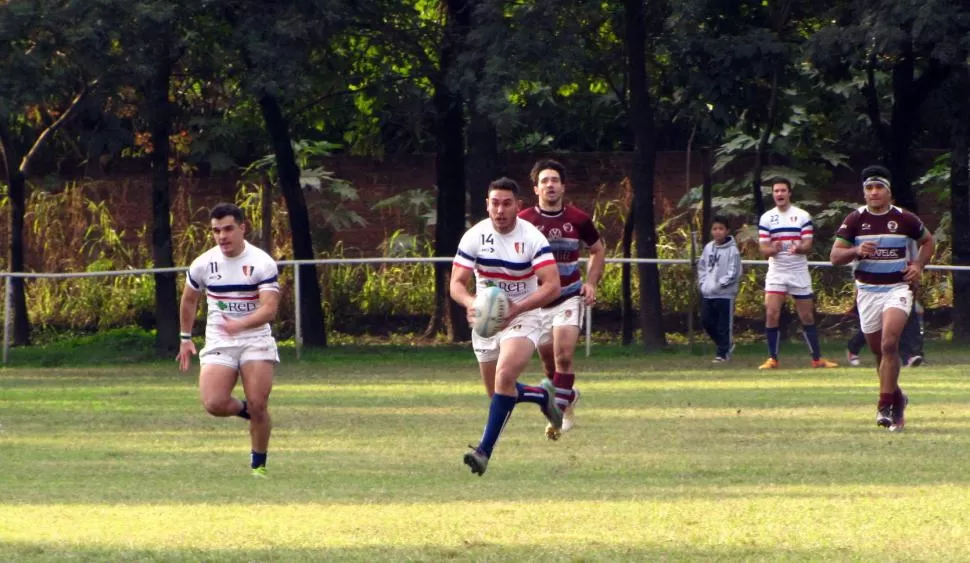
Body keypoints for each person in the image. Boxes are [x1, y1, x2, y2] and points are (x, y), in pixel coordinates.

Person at [451, 177, 563, 476]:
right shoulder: (475, 236)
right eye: (495, 203)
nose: (500, 210)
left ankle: (483, 452)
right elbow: (456, 284)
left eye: (507, 203)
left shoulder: (532, 239)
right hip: (487, 320)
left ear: (518, 206)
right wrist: (471, 303)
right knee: (498, 394)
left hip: (524, 316)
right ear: (487, 205)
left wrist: (518, 309)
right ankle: (542, 396)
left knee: (504, 378)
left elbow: (552, 285)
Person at [176, 203, 281, 477]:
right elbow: (189, 300)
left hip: (255, 339)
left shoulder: (261, 262)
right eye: (216, 231)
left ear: (242, 228)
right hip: (220, 341)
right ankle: (254, 414)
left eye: (228, 229)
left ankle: (258, 467)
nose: (222, 236)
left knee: (259, 401)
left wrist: (241, 324)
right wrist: (185, 338)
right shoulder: (203, 264)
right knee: (214, 403)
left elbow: (269, 308)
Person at [830, 165, 934, 431]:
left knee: (890, 345)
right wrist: (856, 250)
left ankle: (884, 405)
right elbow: (835, 257)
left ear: (889, 191)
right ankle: (898, 399)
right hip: (867, 291)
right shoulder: (855, 219)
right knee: (879, 353)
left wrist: (918, 266)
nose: (874, 192)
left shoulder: (904, 218)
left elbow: (928, 242)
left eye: (879, 188)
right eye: (869, 188)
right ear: (864, 192)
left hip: (897, 289)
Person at [518, 159, 605, 440]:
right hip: (537, 300)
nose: (550, 185)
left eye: (555, 180)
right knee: (549, 366)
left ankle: (559, 415)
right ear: (536, 188)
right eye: (544, 181)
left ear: (563, 186)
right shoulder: (525, 221)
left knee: (563, 356)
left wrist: (590, 282)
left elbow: (597, 249)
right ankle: (570, 397)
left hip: (569, 296)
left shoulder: (578, 219)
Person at [757, 177, 839, 369]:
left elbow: (807, 245)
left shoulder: (802, 215)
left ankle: (817, 359)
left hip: (798, 270)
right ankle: (773, 359)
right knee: (771, 313)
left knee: (807, 316)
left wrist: (799, 248)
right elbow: (764, 249)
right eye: (776, 191)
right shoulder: (767, 218)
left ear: (789, 193)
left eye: (783, 190)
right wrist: (773, 249)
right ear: (773, 194)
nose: (779, 194)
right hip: (777, 270)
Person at [697, 215, 742, 363]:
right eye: (715, 229)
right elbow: (702, 266)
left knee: (723, 326)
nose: (717, 232)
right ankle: (726, 345)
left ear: (727, 231)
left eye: (721, 229)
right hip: (708, 293)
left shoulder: (733, 251)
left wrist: (719, 284)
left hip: (725, 295)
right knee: (706, 321)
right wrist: (704, 284)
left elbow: (733, 272)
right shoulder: (709, 247)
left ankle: (722, 354)